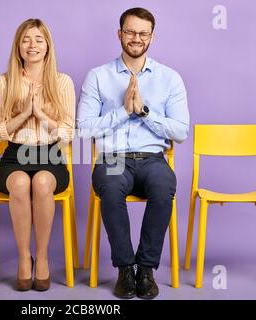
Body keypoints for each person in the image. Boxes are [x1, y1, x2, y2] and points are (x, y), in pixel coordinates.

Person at [77, 7, 189, 299]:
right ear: (120, 34)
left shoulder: (170, 78)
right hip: (113, 159)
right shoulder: (98, 77)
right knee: (111, 190)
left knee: (164, 186)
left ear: (152, 37)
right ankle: (125, 269)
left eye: (143, 33)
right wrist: (124, 111)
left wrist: (144, 112)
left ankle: (146, 269)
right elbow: (84, 129)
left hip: (153, 159)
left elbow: (181, 132)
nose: (136, 38)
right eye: (130, 31)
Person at [0, 18, 75, 292]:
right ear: (18, 47)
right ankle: (25, 257)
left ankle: (44, 257)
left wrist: (41, 115)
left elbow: (68, 132)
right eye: (26, 39)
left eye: (39, 39)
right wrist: (24, 114)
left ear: (48, 46)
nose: (32, 45)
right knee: (20, 183)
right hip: (15, 155)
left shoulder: (62, 82)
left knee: (40, 183)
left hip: (50, 156)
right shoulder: (5, 82)